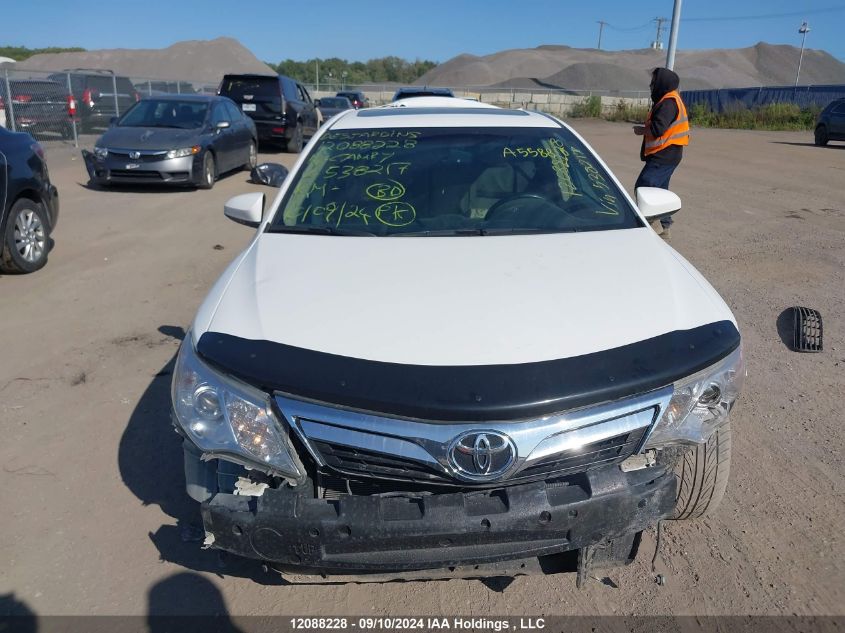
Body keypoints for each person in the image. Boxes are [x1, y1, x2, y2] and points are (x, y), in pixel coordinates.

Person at [633, 67, 689, 240]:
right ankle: (665, 227)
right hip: (668, 154)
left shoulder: (668, 102)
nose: (651, 85)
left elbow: (658, 128)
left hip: (664, 155)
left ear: (661, 83)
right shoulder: (668, 100)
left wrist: (642, 131)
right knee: (660, 192)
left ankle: (651, 226)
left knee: (644, 188)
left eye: (653, 82)